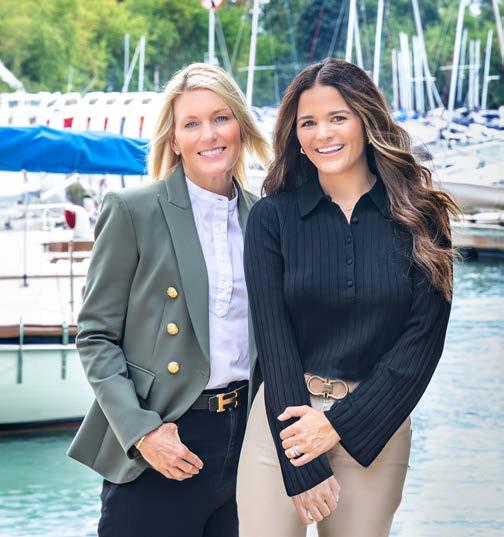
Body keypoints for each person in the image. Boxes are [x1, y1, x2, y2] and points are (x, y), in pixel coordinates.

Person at [237, 58, 459, 537]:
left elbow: (421, 346)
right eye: (308, 122)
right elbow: (274, 344)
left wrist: (337, 426)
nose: (323, 134)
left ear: (365, 119)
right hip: (283, 423)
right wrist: (300, 462)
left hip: (377, 426)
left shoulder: (422, 219)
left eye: (337, 117)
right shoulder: (271, 219)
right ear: (295, 135)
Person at [67, 63, 269, 537]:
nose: (209, 135)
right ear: (174, 140)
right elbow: (95, 337)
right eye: (191, 124)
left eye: (221, 118)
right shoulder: (134, 211)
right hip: (162, 438)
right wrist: (142, 432)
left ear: (240, 126)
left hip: (246, 443)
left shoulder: (263, 217)